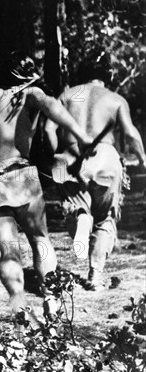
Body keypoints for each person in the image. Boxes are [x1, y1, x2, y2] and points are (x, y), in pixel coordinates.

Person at [0, 55, 93, 319]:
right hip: (19, 174)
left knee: (7, 252)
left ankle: (21, 306)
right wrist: (83, 137)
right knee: (40, 239)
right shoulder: (28, 92)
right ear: (26, 75)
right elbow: (53, 107)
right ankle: (51, 298)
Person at [45, 51, 146, 291]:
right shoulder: (115, 98)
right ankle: (95, 276)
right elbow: (131, 134)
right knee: (106, 218)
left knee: (77, 207)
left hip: (69, 158)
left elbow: (49, 130)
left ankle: (81, 218)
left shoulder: (67, 95)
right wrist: (142, 160)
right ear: (107, 74)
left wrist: (55, 155)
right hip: (105, 157)